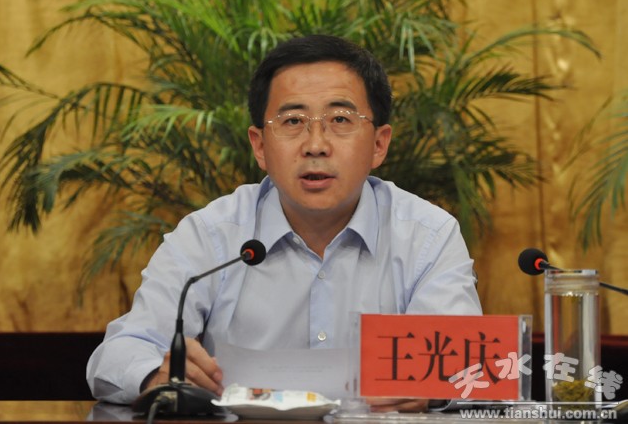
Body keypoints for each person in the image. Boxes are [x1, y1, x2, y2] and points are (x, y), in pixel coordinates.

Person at [86, 34, 482, 412]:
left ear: (379, 144)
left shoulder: (428, 237)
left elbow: (471, 368)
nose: (316, 145)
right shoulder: (210, 236)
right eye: (292, 121)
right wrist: (157, 375)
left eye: (340, 119)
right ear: (260, 146)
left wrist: (432, 388)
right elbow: (118, 354)